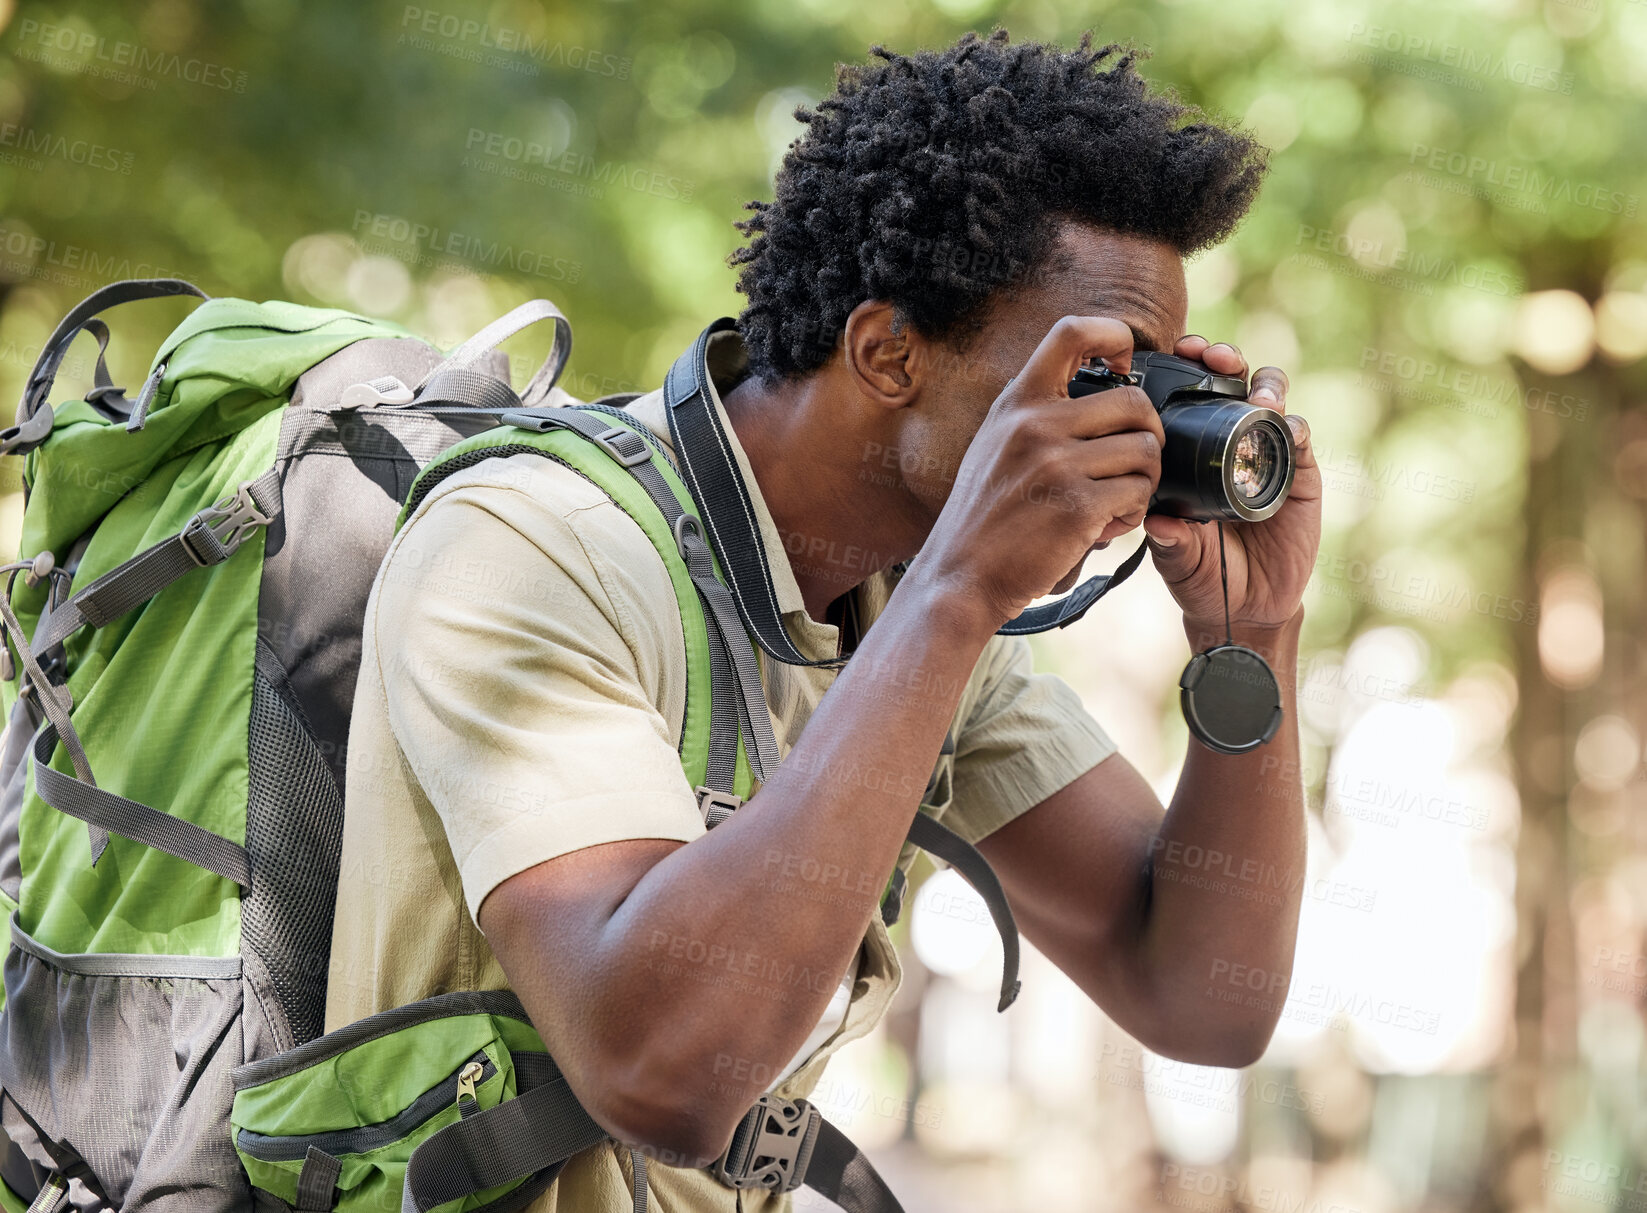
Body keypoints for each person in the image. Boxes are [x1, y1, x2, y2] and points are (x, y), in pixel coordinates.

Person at [327, 28, 1322, 1211]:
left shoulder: (912, 603)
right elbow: (664, 1077)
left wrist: (1253, 632)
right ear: (888, 350)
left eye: (1163, 383)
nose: (1141, 434)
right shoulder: (533, 542)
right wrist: (959, 594)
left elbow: (1206, 996)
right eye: (1099, 374)